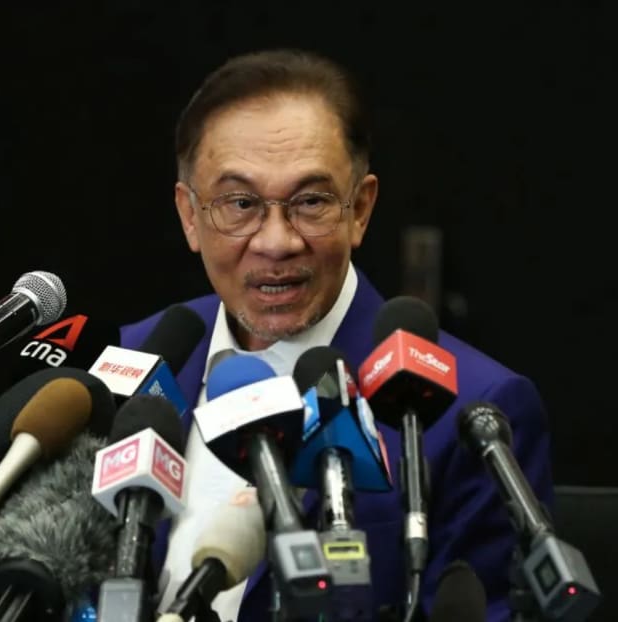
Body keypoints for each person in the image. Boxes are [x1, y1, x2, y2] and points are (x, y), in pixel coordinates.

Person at [120, 48, 553, 622]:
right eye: (240, 203)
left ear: (360, 210)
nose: (276, 242)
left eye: (311, 201)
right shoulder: (141, 355)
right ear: (190, 216)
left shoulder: (471, 410)